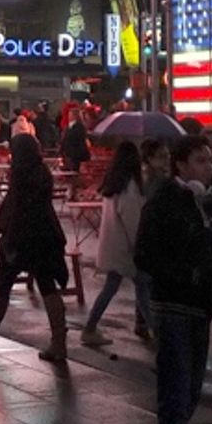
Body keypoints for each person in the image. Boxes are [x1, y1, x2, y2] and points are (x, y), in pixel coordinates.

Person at [133, 135, 212, 424]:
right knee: (176, 393)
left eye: (209, 160)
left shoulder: (199, 201)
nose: (209, 166)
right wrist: (185, 276)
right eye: (201, 160)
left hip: (197, 307)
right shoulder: (166, 201)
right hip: (174, 307)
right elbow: (145, 254)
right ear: (181, 165)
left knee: (187, 393)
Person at [0, 133, 71, 365]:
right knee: (47, 285)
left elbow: (18, 209)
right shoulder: (41, 172)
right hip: (44, 236)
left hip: (21, 237)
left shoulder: (21, 174)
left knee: (3, 283)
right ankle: (59, 342)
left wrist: (10, 239)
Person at [80, 142, 151, 349]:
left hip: (114, 246)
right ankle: (155, 328)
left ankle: (91, 327)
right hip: (126, 249)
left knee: (118, 287)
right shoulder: (130, 187)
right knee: (142, 286)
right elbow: (132, 221)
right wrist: (140, 245)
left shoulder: (114, 184)